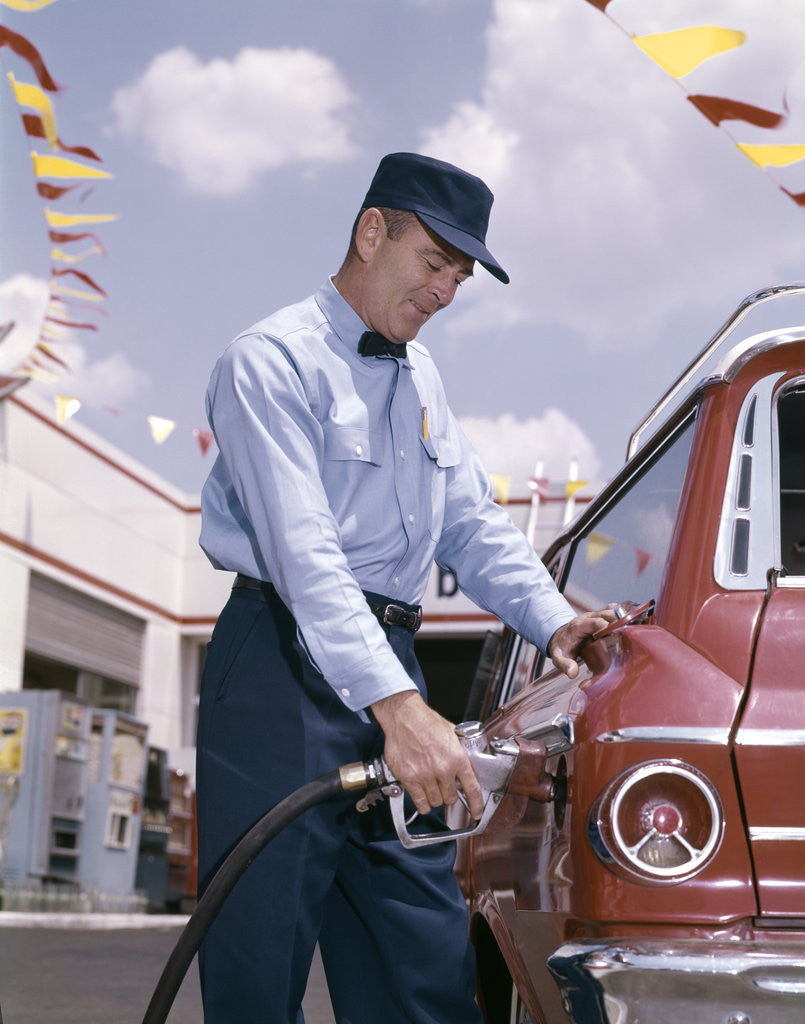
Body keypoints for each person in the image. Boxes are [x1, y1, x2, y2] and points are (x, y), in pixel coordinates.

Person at [196, 152, 614, 1024]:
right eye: (435, 264)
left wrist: (555, 622)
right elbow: (305, 558)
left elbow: (470, 521)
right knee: (260, 957)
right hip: (277, 667)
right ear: (369, 230)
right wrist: (398, 709)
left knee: (418, 948)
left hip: (388, 658)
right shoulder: (268, 363)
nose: (446, 292)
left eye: (459, 277)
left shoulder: (421, 377)